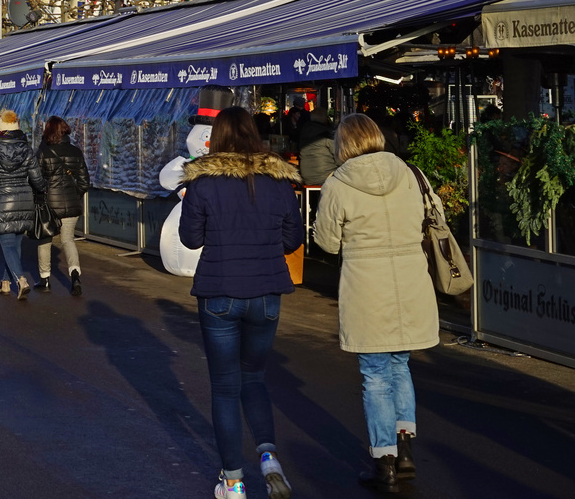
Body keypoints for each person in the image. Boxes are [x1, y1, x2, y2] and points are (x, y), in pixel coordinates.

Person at [179, 106, 303, 499]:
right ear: (254, 135)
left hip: (219, 293)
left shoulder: (203, 181)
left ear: (215, 138)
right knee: (255, 379)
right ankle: (268, 457)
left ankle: (232, 482)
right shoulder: (280, 180)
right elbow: (292, 240)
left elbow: (190, 239)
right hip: (266, 294)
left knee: (225, 388)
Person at [313, 114, 438, 493]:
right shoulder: (411, 173)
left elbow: (326, 242)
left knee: (375, 375)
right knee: (400, 366)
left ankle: (383, 462)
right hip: (411, 281)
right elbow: (432, 219)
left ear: (344, 144)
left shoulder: (338, 183)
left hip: (366, 288)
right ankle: (405, 452)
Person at [0, 110, 46, 298]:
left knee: (7, 244)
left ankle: (20, 280)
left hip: (3, 202)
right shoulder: (26, 149)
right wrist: (43, 190)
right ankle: (5, 283)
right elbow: (37, 179)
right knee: (16, 243)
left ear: (0, 128)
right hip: (24, 200)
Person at [35, 116, 91, 295]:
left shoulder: (43, 152)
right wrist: (75, 195)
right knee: (68, 240)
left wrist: (40, 199)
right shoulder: (76, 151)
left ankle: (44, 280)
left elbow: (37, 180)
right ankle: (75, 274)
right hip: (71, 205)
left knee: (45, 240)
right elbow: (84, 181)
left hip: (49, 205)